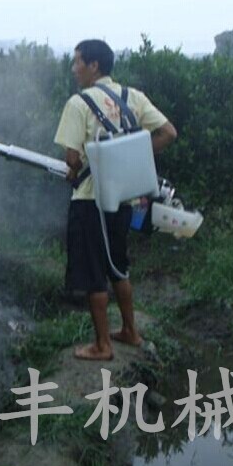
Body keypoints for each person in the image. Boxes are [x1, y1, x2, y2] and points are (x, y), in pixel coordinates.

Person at [54, 39, 177, 360]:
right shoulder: (132, 97)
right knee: (118, 265)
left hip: (91, 201)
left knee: (94, 271)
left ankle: (102, 345)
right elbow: (168, 133)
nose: (73, 68)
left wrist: (76, 168)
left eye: (77, 61)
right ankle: (130, 332)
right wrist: (132, 158)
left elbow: (71, 158)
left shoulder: (78, 103)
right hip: (124, 198)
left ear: (94, 65)